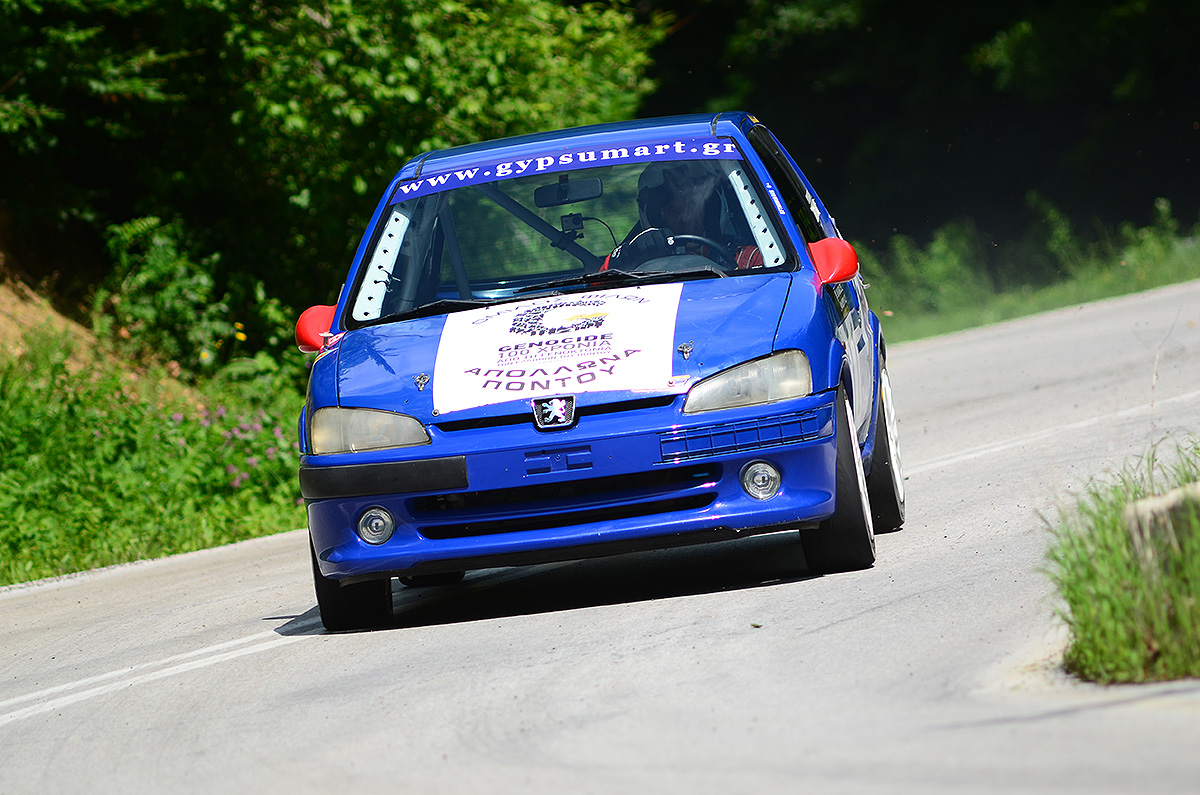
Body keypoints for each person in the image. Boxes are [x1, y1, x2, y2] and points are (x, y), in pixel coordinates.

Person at [603, 161, 763, 271]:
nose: (686, 218)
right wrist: (625, 259)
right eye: (674, 210)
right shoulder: (636, 265)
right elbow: (598, 285)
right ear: (656, 217)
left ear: (710, 210)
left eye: (693, 206)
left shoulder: (744, 258)